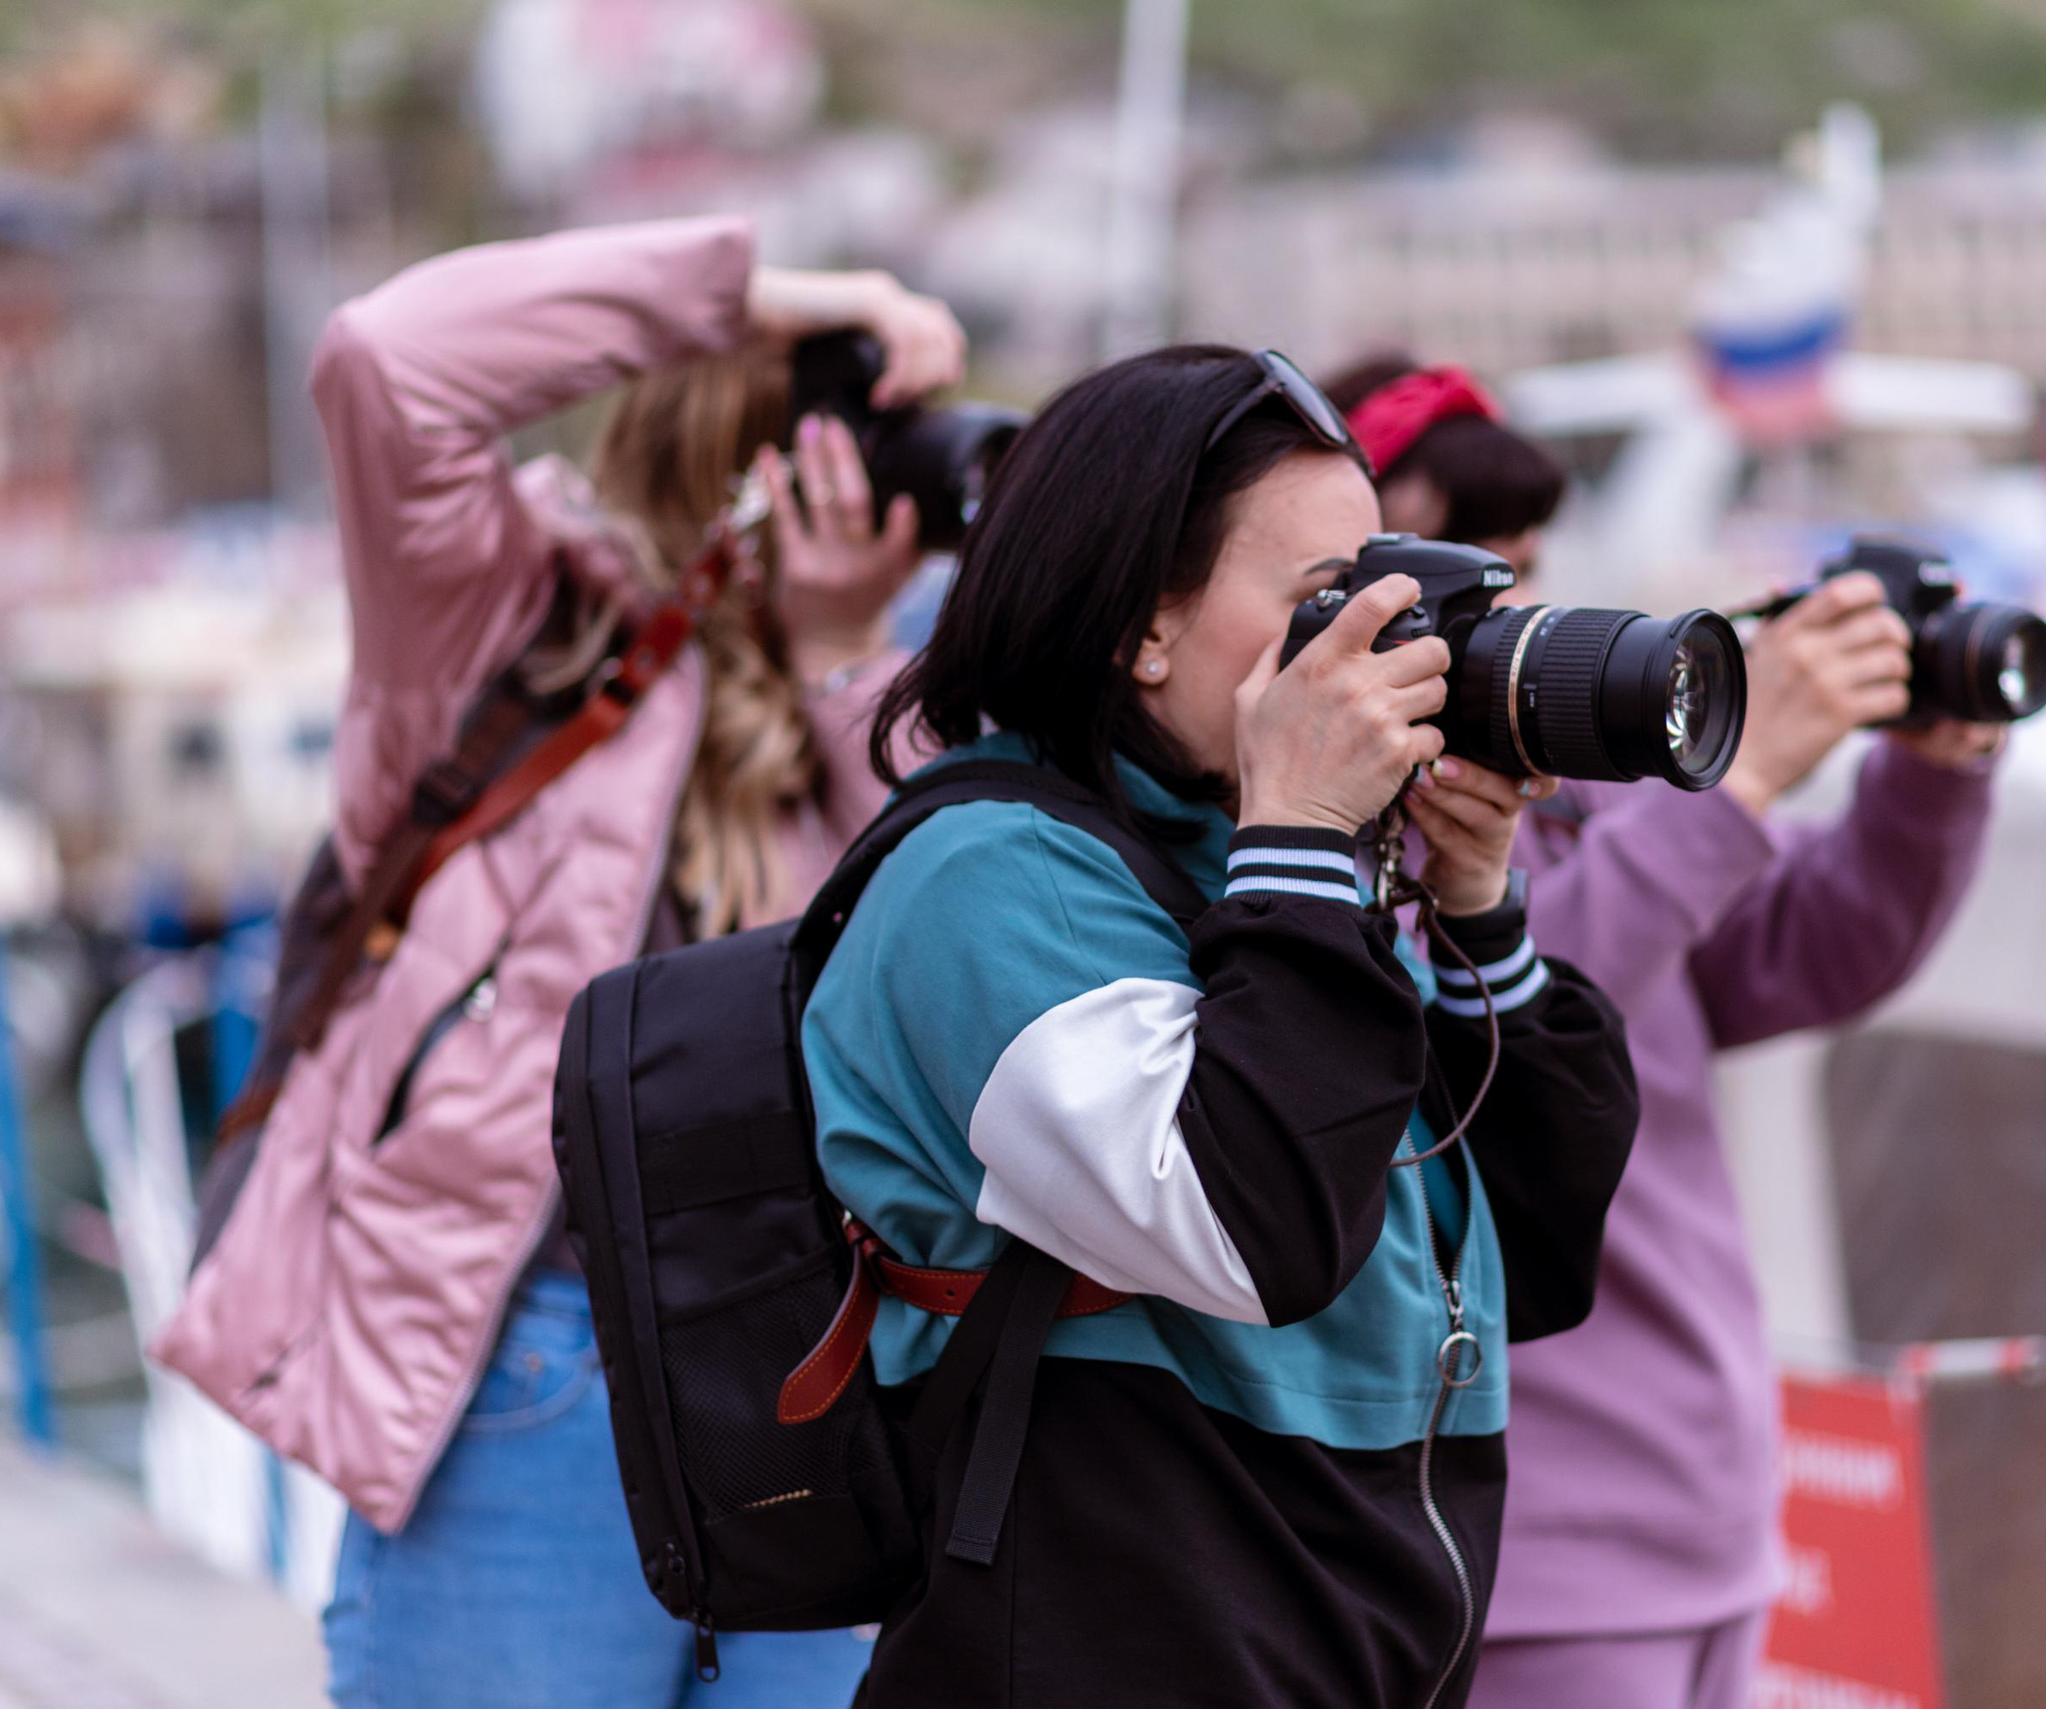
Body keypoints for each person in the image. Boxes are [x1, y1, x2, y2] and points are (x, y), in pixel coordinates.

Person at [151, 217, 963, 1708]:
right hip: (537, 1365)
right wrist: (774, 295)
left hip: (809, 1384)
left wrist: (839, 651)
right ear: (742, 458)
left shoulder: (870, 706)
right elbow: (387, 362)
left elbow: (931, 960)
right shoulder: (504, 625)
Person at [800, 346, 1641, 1707]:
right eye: (1325, 600)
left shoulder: (1247, 872)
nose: (1378, 640)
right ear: (1142, 622)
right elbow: (1252, 1223)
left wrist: (1476, 906)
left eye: (1382, 588)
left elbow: (1536, 1248)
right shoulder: (988, 880)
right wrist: (1305, 846)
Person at [1329, 355, 2000, 1709]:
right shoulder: (1322, 834)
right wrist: (1741, 774)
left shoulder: (1565, 789)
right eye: (1453, 580)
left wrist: (1928, 769)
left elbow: (1809, 952)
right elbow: (1494, 1027)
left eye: (1516, 570)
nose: (1499, 620)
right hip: (1536, 1551)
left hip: (1713, 1511)